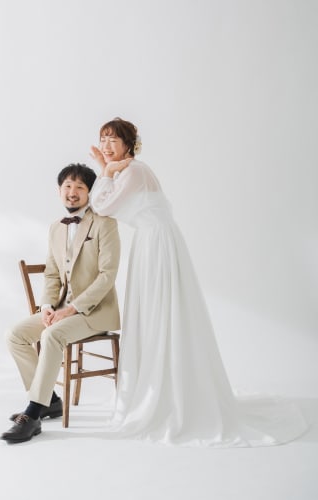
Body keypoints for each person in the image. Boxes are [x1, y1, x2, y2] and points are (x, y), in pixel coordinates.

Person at [89, 117, 307, 447]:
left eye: (113, 140)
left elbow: (102, 206)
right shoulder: (129, 171)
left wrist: (104, 172)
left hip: (155, 243)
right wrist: (107, 170)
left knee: (161, 314)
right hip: (152, 242)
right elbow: (109, 203)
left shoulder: (133, 171)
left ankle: (169, 395)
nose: (106, 146)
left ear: (128, 144)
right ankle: (160, 387)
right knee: (156, 313)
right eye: (103, 139)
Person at [0, 163, 120, 443]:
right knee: (15, 335)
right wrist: (47, 306)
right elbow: (53, 273)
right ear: (59, 190)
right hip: (62, 310)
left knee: (51, 335)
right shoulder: (56, 227)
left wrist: (71, 309)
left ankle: (33, 413)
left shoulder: (105, 224)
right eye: (67, 186)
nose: (72, 192)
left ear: (90, 192)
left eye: (80, 187)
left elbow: (107, 276)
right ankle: (51, 401)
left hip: (95, 312)